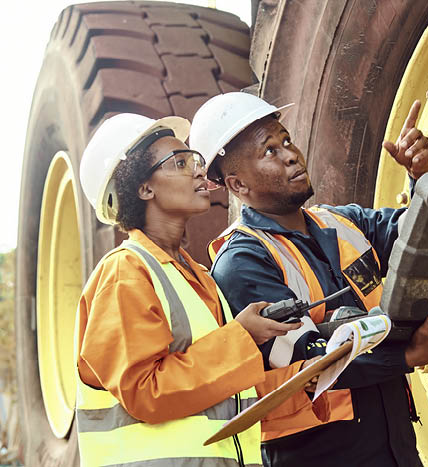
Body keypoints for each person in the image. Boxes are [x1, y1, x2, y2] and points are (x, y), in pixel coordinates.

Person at [189, 93, 428, 467]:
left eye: (286, 140)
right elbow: (311, 361)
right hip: (322, 455)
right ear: (238, 186)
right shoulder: (242, 262)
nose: (290, 154)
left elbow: (425, 238)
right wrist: (413, 354)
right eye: (269, 151)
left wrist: (423, 176)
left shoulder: (342, 223)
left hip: (395, 445)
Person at [75, 113, 302, 467]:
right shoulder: (124, 273)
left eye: (194, 160)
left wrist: (317, 369)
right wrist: (242, 337)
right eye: (180, 163)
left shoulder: (196, 276)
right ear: (144, 188)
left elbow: (225, 390)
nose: (199, 170)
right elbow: (145, 392)